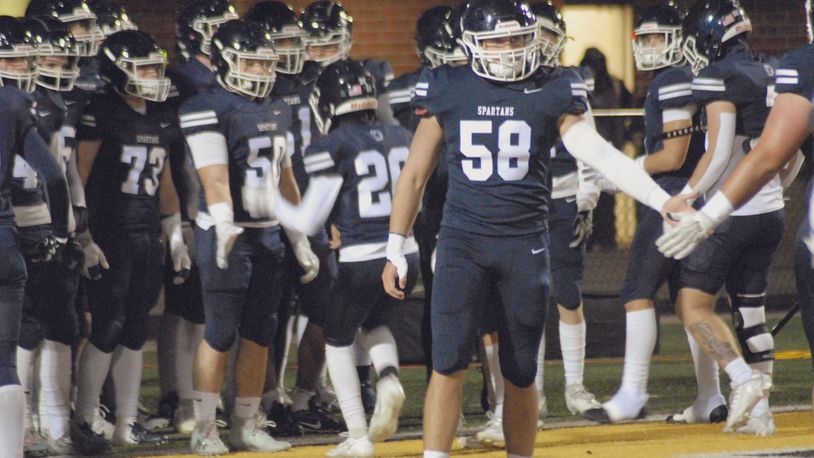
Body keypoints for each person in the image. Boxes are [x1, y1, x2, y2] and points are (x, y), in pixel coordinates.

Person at [380, 1, 690, 456]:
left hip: (524, 245)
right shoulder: (449, 86)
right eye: (496, 40)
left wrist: (662, 200)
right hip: (462, 243)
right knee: (447, 363)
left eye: (515, 39)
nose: (507, 50)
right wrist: (394, 246)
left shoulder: (553, 86)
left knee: (522, 370)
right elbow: (414, 175)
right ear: (471, 45)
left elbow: (600, 155)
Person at [659, 0, 814, 423]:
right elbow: (792, 149)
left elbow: (720, 148)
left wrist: (690, 195)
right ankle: (761, 414)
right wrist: (777, 188)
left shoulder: (717, 75)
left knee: (692, 305)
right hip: (769, 210)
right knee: (751, 313)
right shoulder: (771, 67)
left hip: (732, 211)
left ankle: (742, 380)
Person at [179, 19, 317, 455]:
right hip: (226, 235)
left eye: (264, 64)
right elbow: (214, 177)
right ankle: (204, 428)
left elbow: (286, 178)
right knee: (220, 331)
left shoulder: (279, 107)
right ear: (224, 62)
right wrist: (222, 221)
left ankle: (245, 423)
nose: (259, 72)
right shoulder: (208, 106)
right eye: (250, 63)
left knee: (261, 333)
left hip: (269, 235)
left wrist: (298, 236)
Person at [582, 3, 717, 425]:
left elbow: (673, 155)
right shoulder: (687, 78)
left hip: (671, 199)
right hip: (696, 200)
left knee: (637, 291)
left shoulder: (674, 80)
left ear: (680, 39)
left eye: (658, 37)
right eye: (644, 39)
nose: (649, 46)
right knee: (688, 300)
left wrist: (625, 171)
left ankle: (634, 392)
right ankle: (711, 396)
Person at [275, 58, 417, 458]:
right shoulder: (400, 135)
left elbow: (308, 217)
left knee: (337, 339)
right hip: (406, 252)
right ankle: (388, 378)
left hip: (362, 256)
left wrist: (269, 198)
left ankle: (357, 434)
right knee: (375, 323)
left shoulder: (330, 145)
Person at [71, 29, 183, 451]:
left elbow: (166, 180)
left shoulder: (160, 114)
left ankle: (127, 419)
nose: (154, 75)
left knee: (136, 328)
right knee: (108, 324)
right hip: (109, 231)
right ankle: (86, 415)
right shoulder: (102, 111)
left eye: (157, 66)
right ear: (117, 73)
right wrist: (82, 235)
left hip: (145, 233)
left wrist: (174, 232)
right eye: (144, 68)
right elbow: (78, 177)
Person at [246, 0, 345, 436]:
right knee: (266, 315)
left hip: (313, 209)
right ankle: (268, 400)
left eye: (293, 39)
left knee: (325, 308)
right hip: (267, 213)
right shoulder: (250, 90)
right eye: (282, 40)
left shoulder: (314, 82)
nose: (291, 49)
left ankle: (305, 395)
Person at [157, 0, 238, 434]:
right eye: (216, 27)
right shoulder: (183, 81)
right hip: (193, 202)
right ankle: (179, 395)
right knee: (188, 308)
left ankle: (218, 398)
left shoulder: (230, 76)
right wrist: (178, 221)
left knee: (218, 311)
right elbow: (172, 149)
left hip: (226, 202)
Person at [0, 15, 71, 458]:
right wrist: (61, 235)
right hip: (5, 241)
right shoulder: (12, 102)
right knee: (4, 364)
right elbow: (54, 178)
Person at [14, 17, 86, 455]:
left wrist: (79, 231)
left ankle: (53, 429)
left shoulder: (54, 105)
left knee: (58, 328)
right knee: (25, 331)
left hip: (45, 224)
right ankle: (26, 431)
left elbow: (67, 174)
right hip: (21, 226)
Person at [579, 47, 633, 251]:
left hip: (607, 149)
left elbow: (625, 113)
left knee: (607, 200)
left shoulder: (614, 85)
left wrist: (621, 142)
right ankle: (589, 239)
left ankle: (607, 241)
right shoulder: (578, 84)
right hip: (584, 150)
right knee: (587, 197)